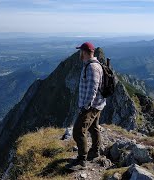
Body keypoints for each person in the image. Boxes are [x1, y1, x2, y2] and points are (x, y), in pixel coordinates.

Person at [68, 42, 106, 170]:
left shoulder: (92, 68)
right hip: (97, 105)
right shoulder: (93, 65)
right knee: (94, 127)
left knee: (78, 132)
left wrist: (86, 106)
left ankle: (81, 161)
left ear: (84, 52)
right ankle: (95, 151)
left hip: (90, 106)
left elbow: (92, 89)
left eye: (81, 51)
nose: (80, 54)